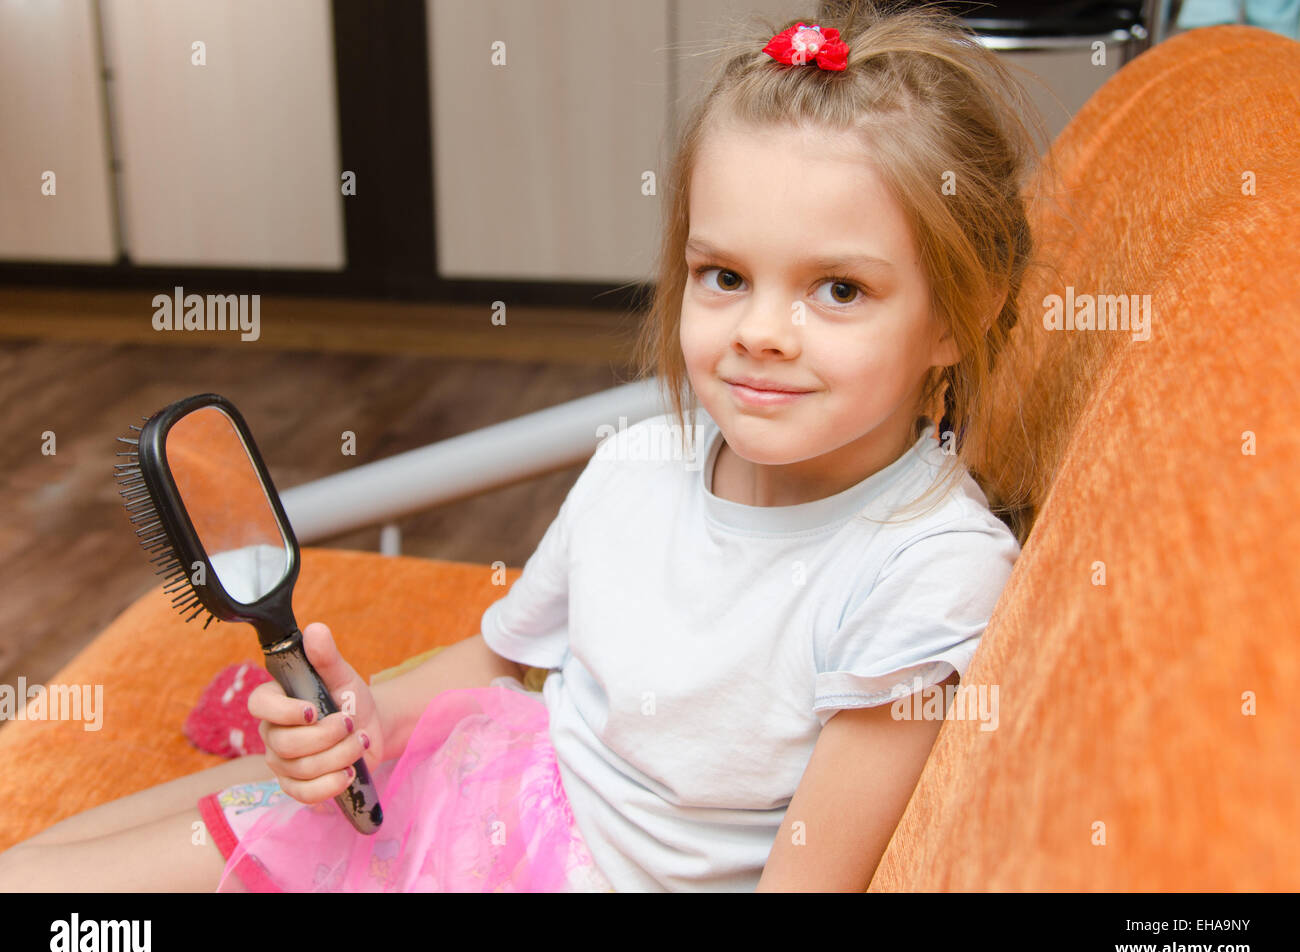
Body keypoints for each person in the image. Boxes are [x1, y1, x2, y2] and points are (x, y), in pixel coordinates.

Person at [0, 0, 1048, 892]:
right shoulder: (642, 461)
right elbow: (507, 654)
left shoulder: (927, 571)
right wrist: (361, 718)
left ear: (961, 312)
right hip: (502, 776)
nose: (759, 330)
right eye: (724, 275)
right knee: (51, 855)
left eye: (838, 289)